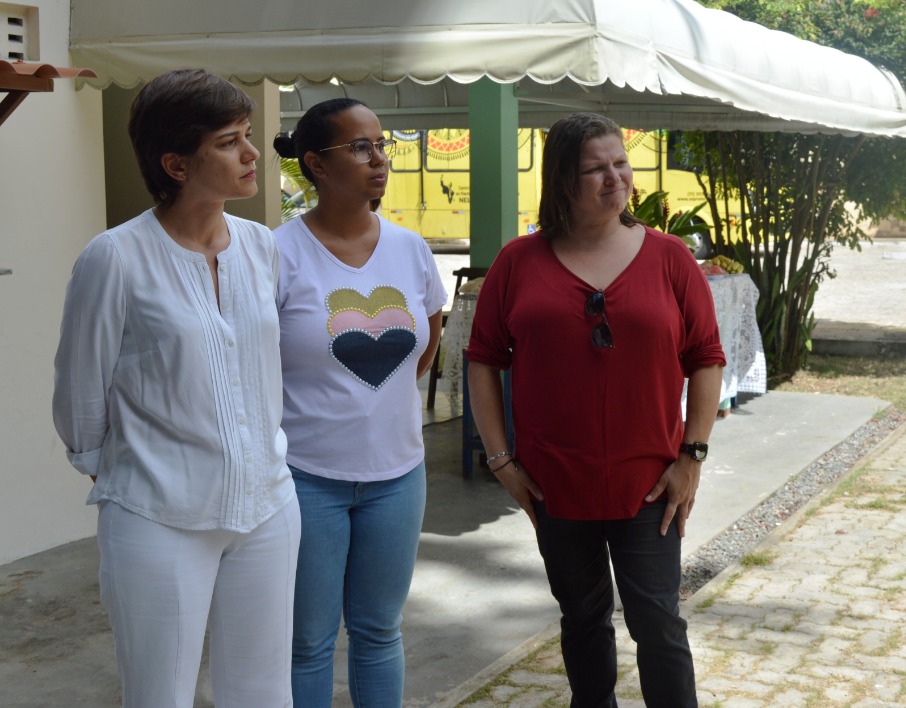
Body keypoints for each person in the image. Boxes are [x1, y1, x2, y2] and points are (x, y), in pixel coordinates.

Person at [52, 69, 298, 706]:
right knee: (159, 694)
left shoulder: (260, 246)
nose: (251, 153)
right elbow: (80, 393)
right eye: (228, 142)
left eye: (248, 135)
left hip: (267, 505)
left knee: (265, 693)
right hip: (158, 515)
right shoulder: (115, 257)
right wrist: (128, 472)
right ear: (176, 164)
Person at [466, 112, 725, 706]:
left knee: (658, 624)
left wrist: (692, 456)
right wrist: (502, 461)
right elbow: (482, 360)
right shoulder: (518, 262)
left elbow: (707, 358)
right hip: (556, 483)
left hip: (650, 485)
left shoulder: (670, 257)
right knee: (582, 620)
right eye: (595, 169)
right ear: (562, 179)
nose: (615, 178)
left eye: (621, 163)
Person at [272, 98, 446, 708]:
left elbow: (425, 346)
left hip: (398, 476)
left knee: (379, 632)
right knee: (308, 642)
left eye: (381, 145)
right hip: (305, 477)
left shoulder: (410, 249)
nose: (379, 159)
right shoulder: (277, 253)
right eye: (360, 147)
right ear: (316, 164)